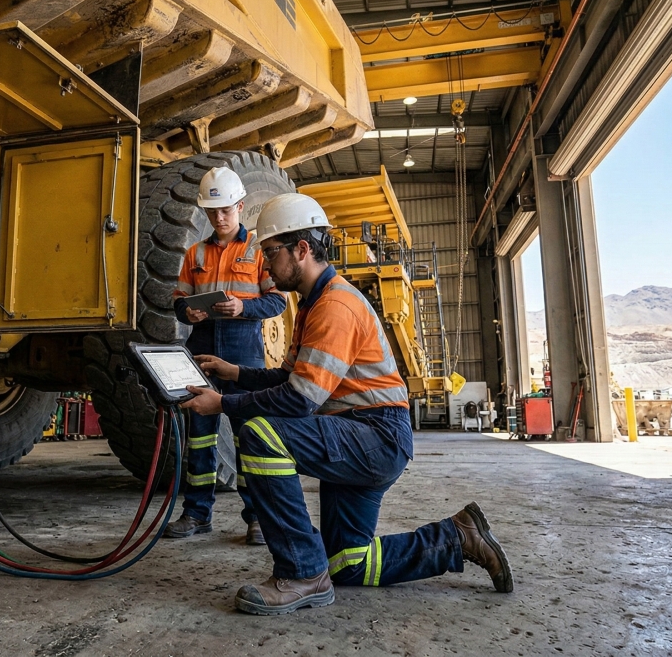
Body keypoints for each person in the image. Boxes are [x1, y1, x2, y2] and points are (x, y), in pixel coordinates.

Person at [180, 194, 513, 616]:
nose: (264, 264)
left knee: (260, 434)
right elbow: (289, 379)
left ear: (302, 249)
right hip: (357, 433)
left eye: (271, 252)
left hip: (375, 435)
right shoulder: (313, 303)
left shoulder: (335, 305)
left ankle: (302, 573)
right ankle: (458, 537)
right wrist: (235, 373)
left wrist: (223, 404)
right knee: (348, 562)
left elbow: (298, 400)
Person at [165, 167, 288, 545]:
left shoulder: (259, 250)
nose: (218, 218)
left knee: (248, 438)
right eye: (212, 211)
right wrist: (188, 312)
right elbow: (179, 301)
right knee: (199, 438)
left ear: (240, 206)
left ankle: (257, 518)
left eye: (225, 210)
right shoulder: (195, 253)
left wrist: (243, 307)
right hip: (201, 349)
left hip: (243, 352)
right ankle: (196, 514)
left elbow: (277, 301)